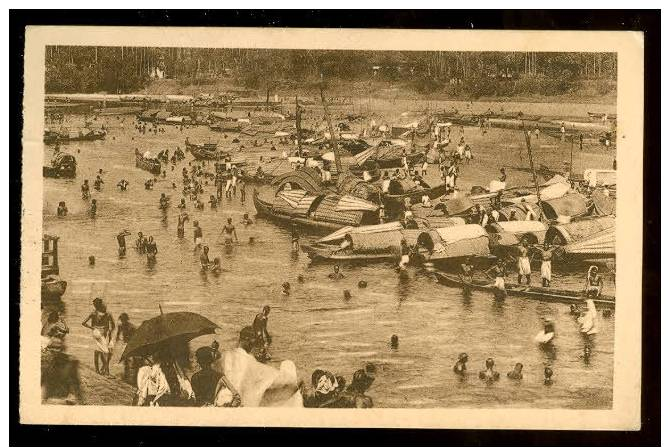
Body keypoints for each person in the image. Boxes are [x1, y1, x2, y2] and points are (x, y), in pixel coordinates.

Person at [81, 298, 115, 376]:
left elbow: (83, 323)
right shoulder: (108, 313)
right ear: (101, 304)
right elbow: (113, 325)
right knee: (106, 352)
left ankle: (98, 370)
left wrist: (92, 328)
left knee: (98, 350)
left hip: (95, 332)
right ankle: (107, 371)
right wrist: (110, 331)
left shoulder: (93, 313)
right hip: (102, 333)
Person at [115, 313, 138, 385]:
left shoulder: (132, 327)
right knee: (126, 360)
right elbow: (118, 335)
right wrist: (116, 342)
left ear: (126, 320)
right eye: (121, 320)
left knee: (134, 361)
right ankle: (127, 375)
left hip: (132, 344)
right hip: (125, 344)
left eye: (123, 320)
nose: (122, 321)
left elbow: (136, 336)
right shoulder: (121, 326)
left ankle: (135, 377)